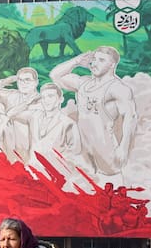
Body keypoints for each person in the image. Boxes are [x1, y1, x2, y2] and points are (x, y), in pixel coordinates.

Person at [49, 46, 137, 180]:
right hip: (83, 145)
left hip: (104, 145)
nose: (94, 63)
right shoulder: (83, 83)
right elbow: (55, 75)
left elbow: (130, 117)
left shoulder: (118, 88)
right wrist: (77, 61)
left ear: (112, 64)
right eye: (94, 59)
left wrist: (123, 148)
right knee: (85, 184)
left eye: (101, 60)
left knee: (111, 182)